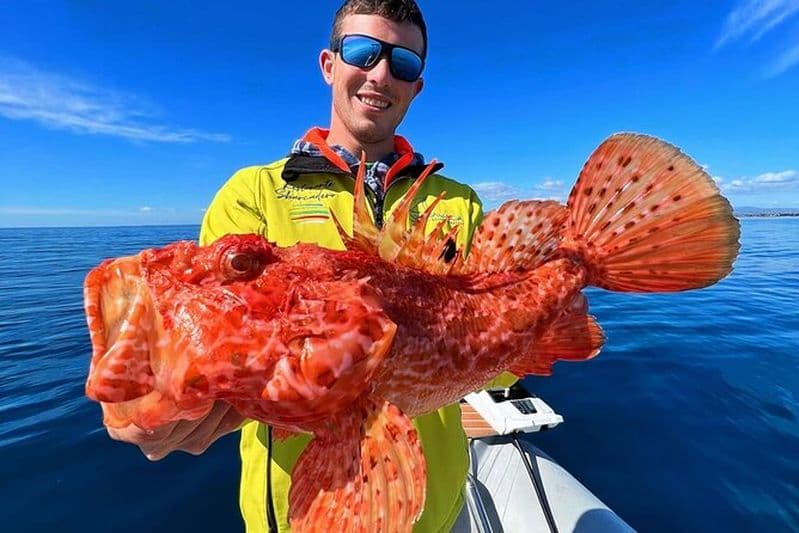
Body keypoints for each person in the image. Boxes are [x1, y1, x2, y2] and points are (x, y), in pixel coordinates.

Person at [106, 1, 513, 531]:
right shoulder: (252, 194)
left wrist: (542, 314)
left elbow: (497, 360)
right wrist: (160, 392)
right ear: (329, 64)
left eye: (404, 64)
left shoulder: (457, 205)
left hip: (439, 515)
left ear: (416, 86)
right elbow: (213, 335)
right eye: (363, 52)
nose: (381, 74)